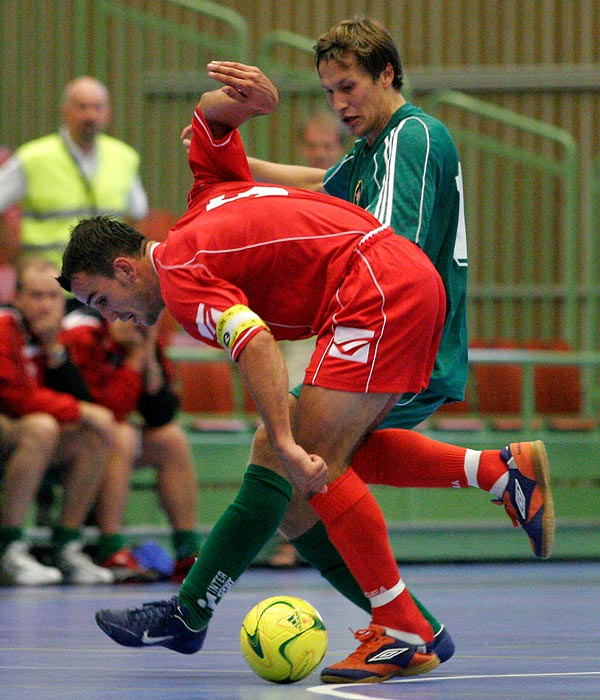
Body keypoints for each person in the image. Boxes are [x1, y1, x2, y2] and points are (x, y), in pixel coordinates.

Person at [58, 63, 548, 685]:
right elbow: (210, 119)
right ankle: (491, 482)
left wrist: (288, 441)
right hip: (391, 282)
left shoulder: (180, 276)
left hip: (378, 288)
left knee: (292, 452)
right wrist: (249, 103)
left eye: (103, 300)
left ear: (126, 269)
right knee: (293, 493)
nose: (116, 319)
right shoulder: (206, 196)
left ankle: (390, 628)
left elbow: (255, 343)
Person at [61, 310, 201, 582]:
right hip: (74, 438)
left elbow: (161, 413)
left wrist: (147, 354)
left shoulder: (142, 334)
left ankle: (187, 550)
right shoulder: (84, 332)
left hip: (107, 438)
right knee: (121, 435)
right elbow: (110, 411)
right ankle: (111, 548)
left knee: (170, 439)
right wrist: (135, 360)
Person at [0, 257, 115, 585]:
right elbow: (13, 397)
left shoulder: (51, 336)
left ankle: (65, 546)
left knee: (92, 437)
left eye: (53, 297)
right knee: (41, 427)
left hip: (18, 431)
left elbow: (82, 396)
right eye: (36, 296)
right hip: (10, 424)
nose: (46, 305)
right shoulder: (4, 326)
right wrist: (81, 411)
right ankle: (8, 547)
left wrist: (54, 349)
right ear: (18, 297)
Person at [269, 110, 349, 568]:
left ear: (339, 152)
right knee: (293, 432)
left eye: (328, 148)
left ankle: (330, 533)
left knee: (335, 439)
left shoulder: (352, 199)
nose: (319, 154)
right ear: (300, 150)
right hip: (294, 332)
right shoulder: (279, 201)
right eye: (312, 147)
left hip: (340, 328)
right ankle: (293, 537)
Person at [0, 77, 148, 269]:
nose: (90, 115)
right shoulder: (33, 158)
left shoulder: (124, 157)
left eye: (97, 107)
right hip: (49, 283)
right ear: (65, 111)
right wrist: (14, 258)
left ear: (108, 113)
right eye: (82, 107)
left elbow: (138, 215)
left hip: (104, 283)